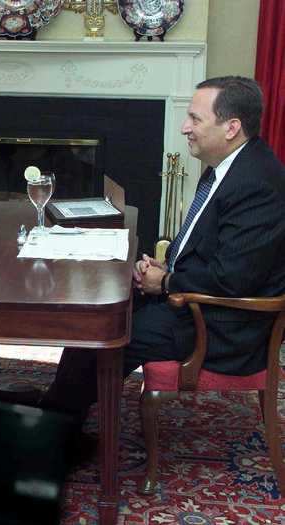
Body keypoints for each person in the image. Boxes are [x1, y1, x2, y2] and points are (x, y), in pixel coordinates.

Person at [39, 76, 285, 445]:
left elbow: (234, 278)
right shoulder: (231, 164)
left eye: (195, 119)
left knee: (108, 333)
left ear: (231, 127)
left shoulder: (257, 183)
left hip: (222, 326)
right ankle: (58, 411)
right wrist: (166, 269)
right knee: (95, 314)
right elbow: (217, 253)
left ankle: (51, 432)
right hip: (196, 302)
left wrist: (167, 282)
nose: (185, 127)